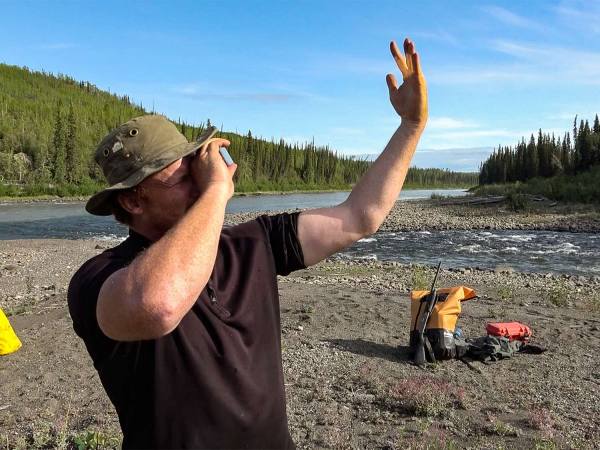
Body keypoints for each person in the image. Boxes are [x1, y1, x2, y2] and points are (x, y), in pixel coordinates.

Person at [68, 37, 427, 449]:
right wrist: (216, 193)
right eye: (182, 177)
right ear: (132, 199)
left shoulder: (254, 243)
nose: (200, 180)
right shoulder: (99, 279)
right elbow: (159, 305)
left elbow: (362, 216)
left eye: (196, 170)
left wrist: (410, 127)